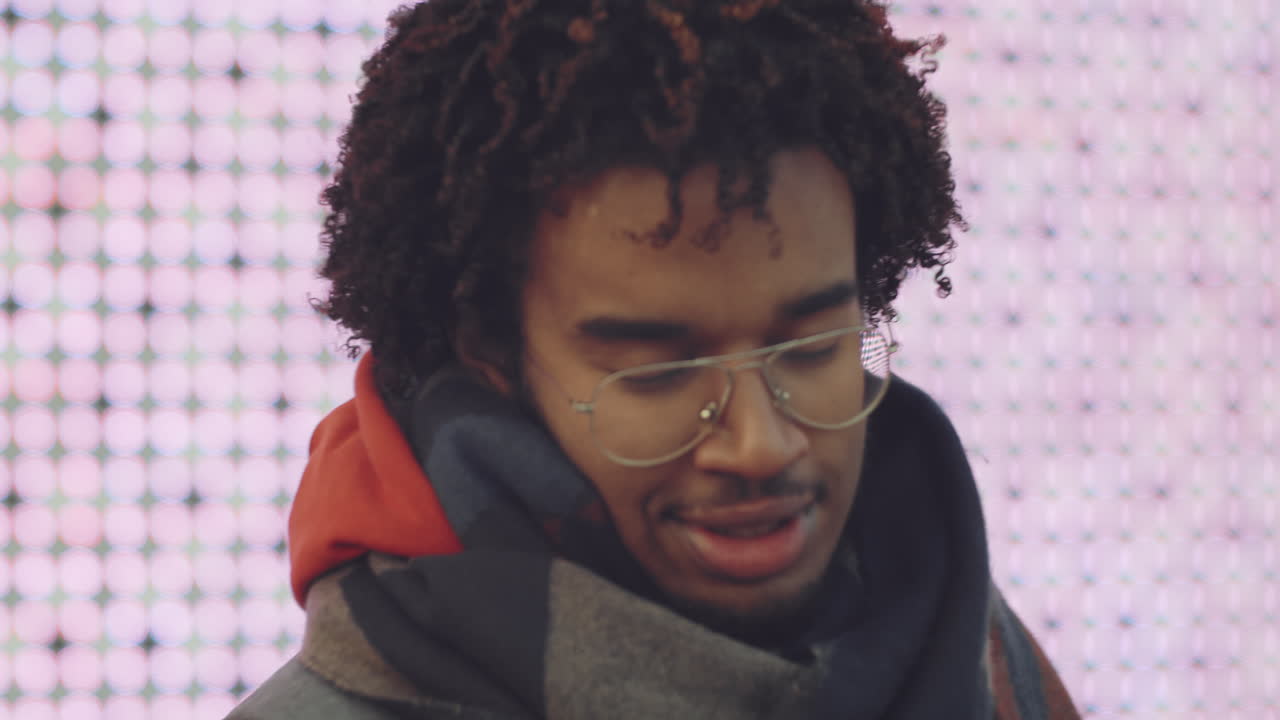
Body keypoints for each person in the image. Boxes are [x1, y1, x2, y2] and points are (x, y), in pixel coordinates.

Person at [229, 1, 1080, 718]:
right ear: (488, 350)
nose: (760, 445)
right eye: (658, 371)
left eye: (815, 348)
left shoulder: (990, 663)